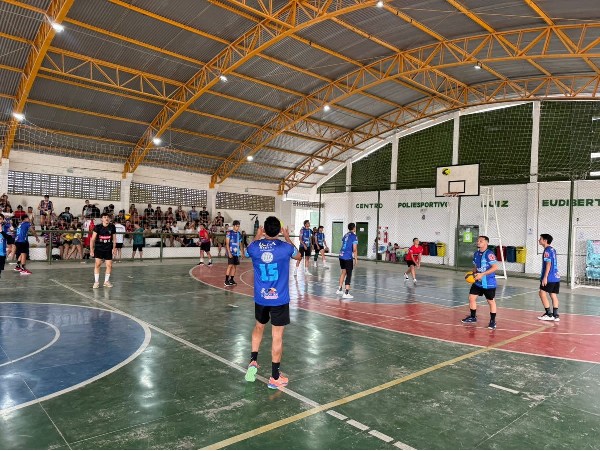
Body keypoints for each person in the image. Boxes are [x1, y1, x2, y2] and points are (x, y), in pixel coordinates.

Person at [244, 216, 301, 389]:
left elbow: (246, 252)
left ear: (264, 230)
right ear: (279, 231)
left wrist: (257, 235)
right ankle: (275, 377)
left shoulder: (254, 247)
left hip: (261, 298)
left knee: (258, 327)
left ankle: (253, 361)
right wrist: (288, 236)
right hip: (279, 299)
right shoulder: (285, 248)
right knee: (277, 336)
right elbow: (298, 255)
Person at [461, 235, 498, 330]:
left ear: (486, 243)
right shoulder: (476, 254)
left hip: (488, 283)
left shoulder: (489, 254)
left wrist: (482, 274)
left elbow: (495, 267)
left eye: (481, 241)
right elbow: (476, 267)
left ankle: (493, 321)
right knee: (471, 298)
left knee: (491, 302)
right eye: (478, 241)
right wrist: (472, 275)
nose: (478, 242)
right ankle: (473, 317)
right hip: (477, 282)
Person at [90, 212, 117, 288]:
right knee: (97, 264)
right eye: (105, 217)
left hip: (108, 248)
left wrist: (114, 248)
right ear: (101, 219)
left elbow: (114, 239)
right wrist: (91, 250)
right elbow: (92, 239)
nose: (106, 218)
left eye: (108, 217)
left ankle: (106, 281)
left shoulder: (112, 227)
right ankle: (96, 282)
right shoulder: (97, 227)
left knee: (109, 265)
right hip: (99, 248)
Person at [537, 234, 560, 322]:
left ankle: (548, 314)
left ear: (545, 241)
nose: (539, 240)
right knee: (553, 295)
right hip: (556, 276)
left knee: (541, 293)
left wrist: (545, 277)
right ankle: (556, 315)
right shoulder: (553, 249)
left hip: (549, 277)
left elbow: (548, 264)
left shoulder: (547, 251)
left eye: (540, 239)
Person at [336, 222, 358, 299]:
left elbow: (344, 244)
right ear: (354, 228)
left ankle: (339, 289)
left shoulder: (346, 235)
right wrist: (356, 258)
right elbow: (354, 249)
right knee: (349, 274)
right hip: (347, 257)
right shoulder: (354, 236)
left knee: (343, 272)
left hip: (341, 255)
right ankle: (346, 293)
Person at [224, 220, 243, 286]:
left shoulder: (239, 234)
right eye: (237, 226)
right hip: (231, 252)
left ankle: (231, 280)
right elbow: (227, 244)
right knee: (230, 265)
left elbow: (240, 243)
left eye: (239, 226)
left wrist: (242, 252)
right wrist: (229, 252)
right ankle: (226, 280)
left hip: (236, 253)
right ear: (234, 226)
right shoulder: (229, 233)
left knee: (234, 266)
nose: (238, 227)